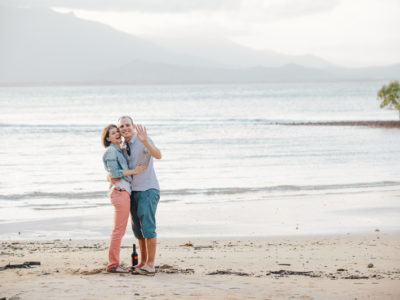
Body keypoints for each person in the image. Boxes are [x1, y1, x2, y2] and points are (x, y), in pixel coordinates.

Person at [111, 116, 162, 276]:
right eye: (121, 126)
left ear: (133, 126)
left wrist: (146, 141)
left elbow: (158, 155)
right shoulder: (123, 146)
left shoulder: (142, 140)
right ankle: (143, 262)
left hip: (147, 189)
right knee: (138, 230)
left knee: (148, 227)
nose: (125, 128)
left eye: (127, 125)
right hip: (132, 192)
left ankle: (151, 265)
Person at [102, 124, 146, 273]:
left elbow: (112, 174)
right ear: (107, 138)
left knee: (119, 230)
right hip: (119, 192)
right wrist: (136, 170)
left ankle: (113, 263)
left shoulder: (119, 150)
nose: (117, 134)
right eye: (113, 133)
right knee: (118, 230)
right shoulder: (110, 151)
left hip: (123, 192)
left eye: (117, 132)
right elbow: (114, 173)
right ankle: (113, 265)